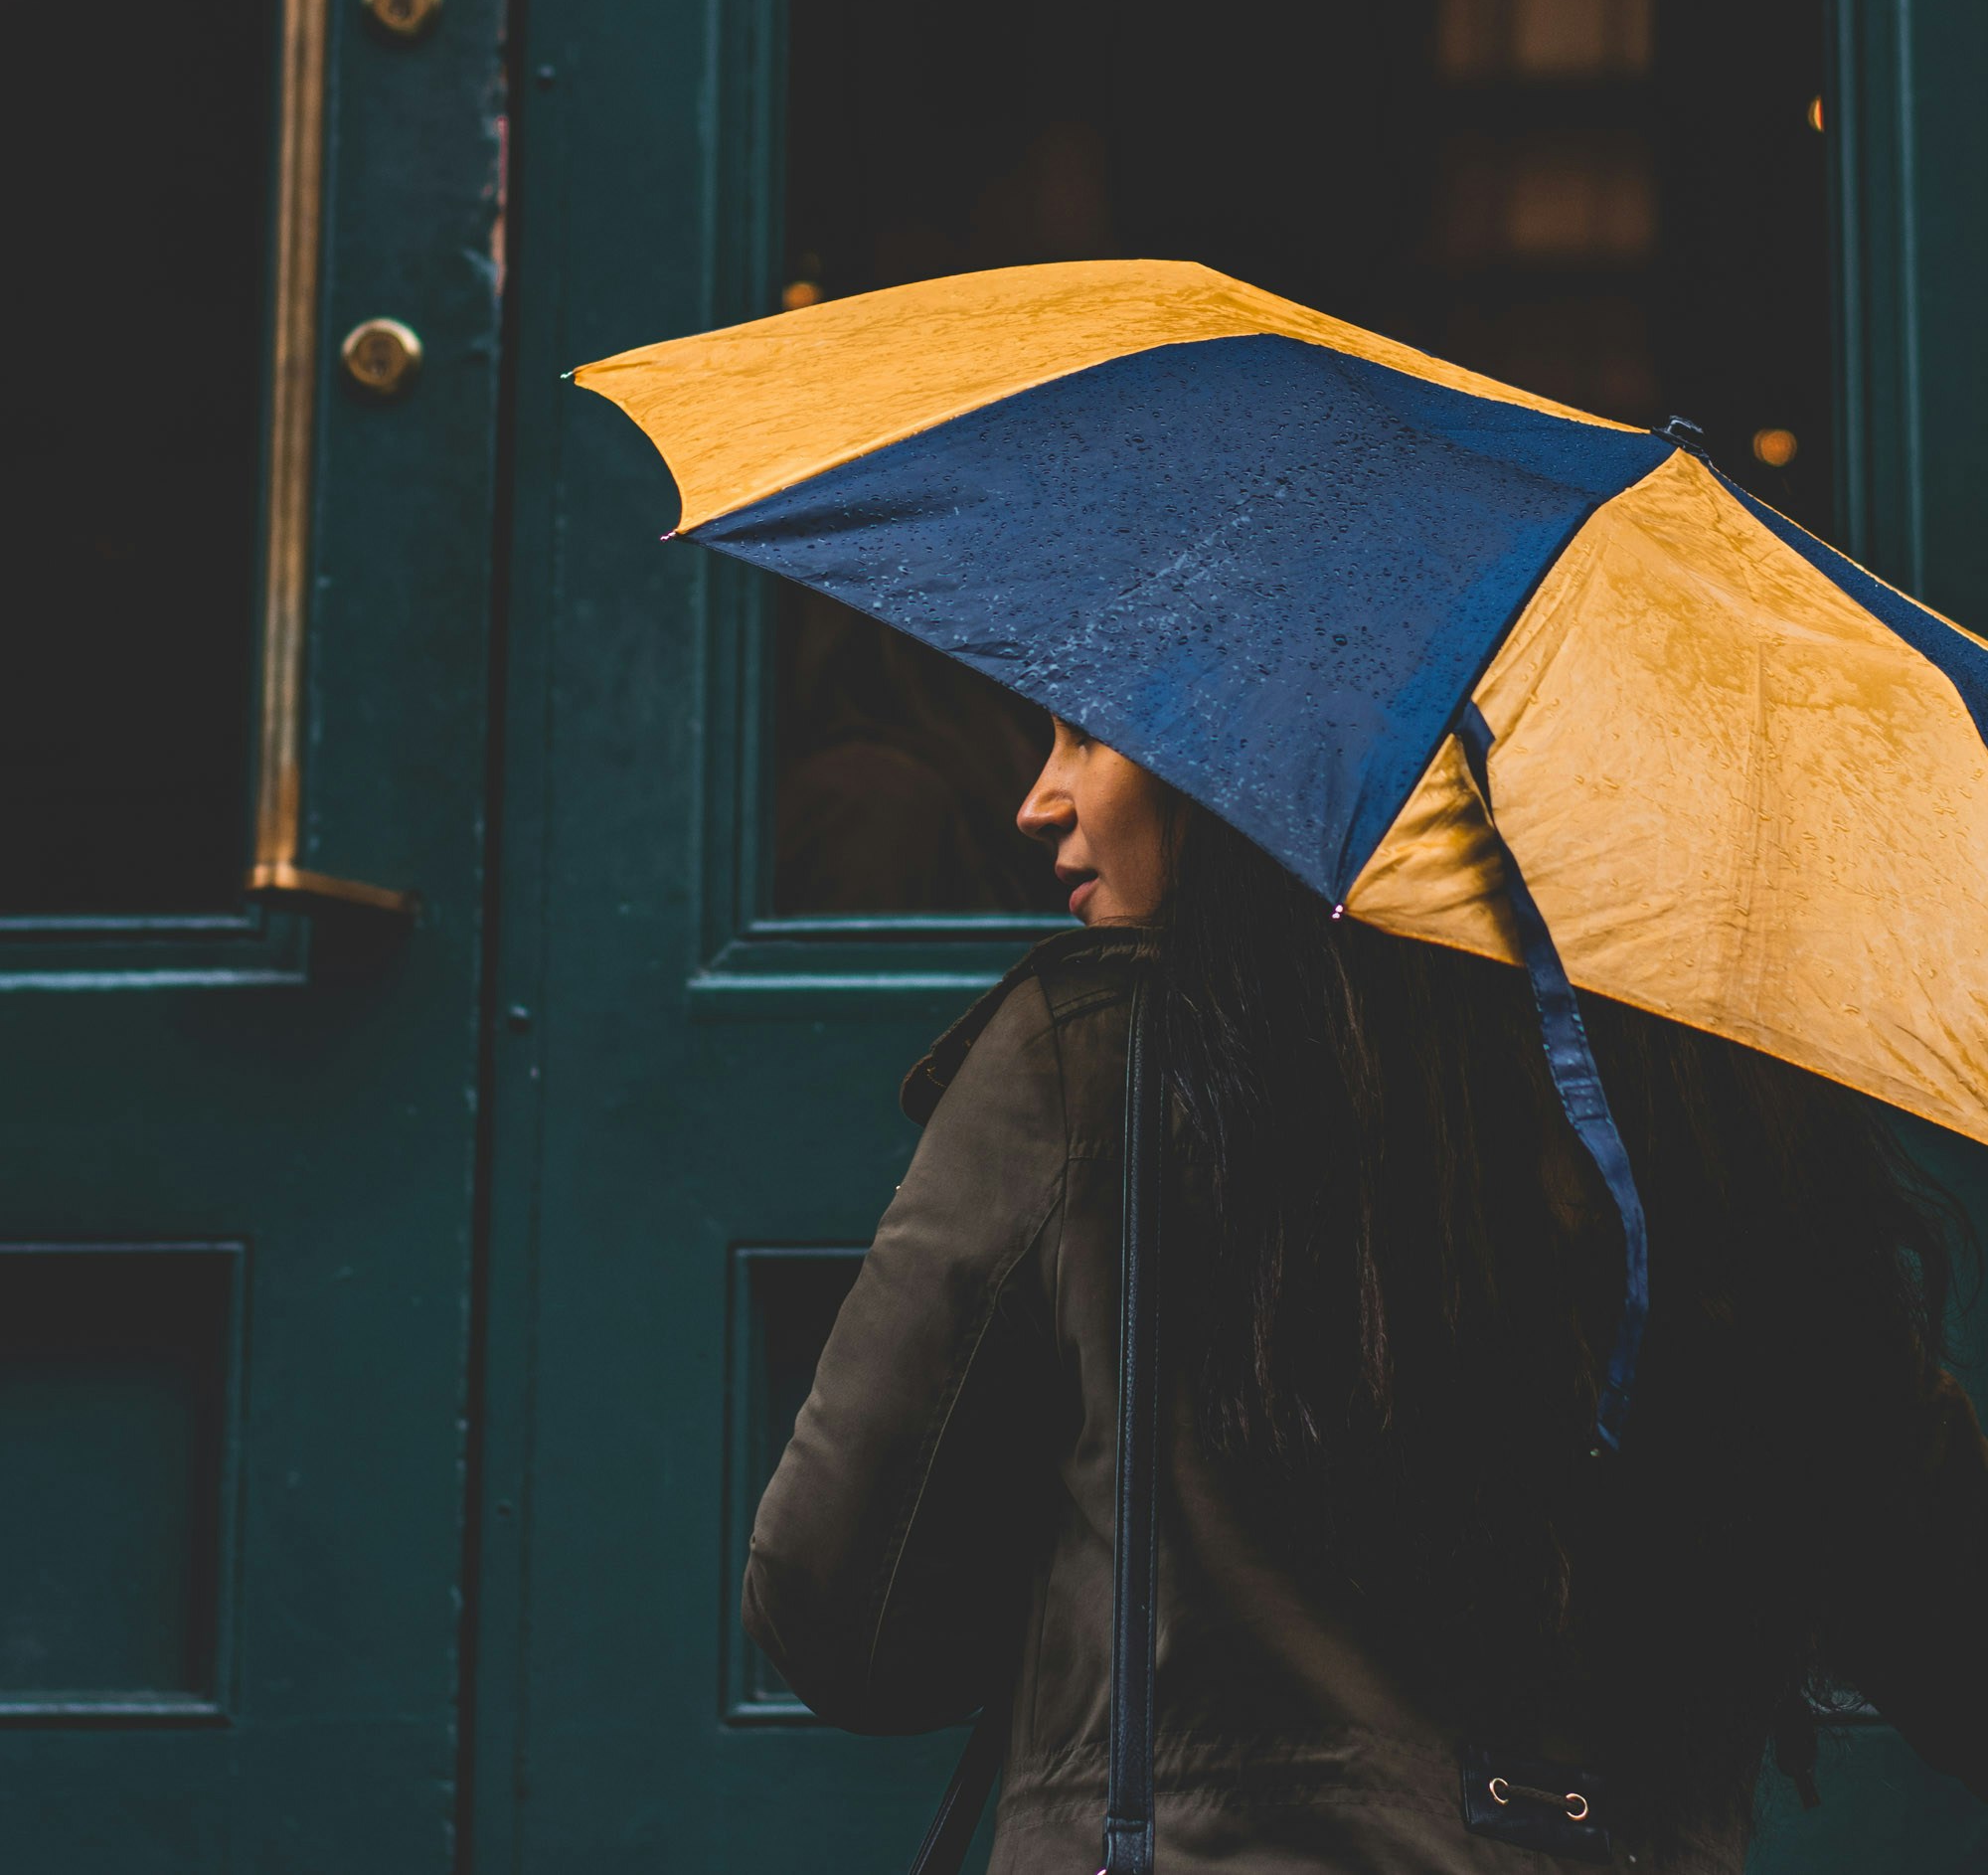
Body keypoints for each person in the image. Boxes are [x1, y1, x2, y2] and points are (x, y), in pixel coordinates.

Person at [744, 719, 1988, 1871]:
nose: (1036, 800)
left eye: (1093, 733)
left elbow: (845, 1625)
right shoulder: (1714, 1123)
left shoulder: (1096, 1068)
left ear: (1268, 752)